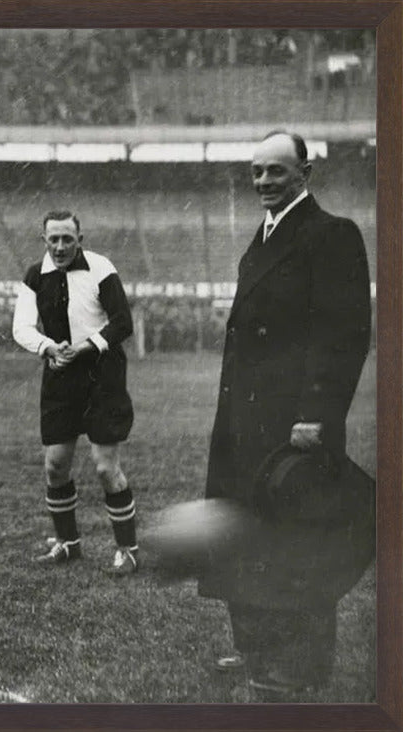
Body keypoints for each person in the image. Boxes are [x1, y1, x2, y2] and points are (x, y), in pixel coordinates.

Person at [200, 131, 371, 697]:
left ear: (306, 171)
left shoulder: (332, 234)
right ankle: (257, 651)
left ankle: (300, 667)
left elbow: (343, 335)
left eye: (276, 171)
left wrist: (315, 415)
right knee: (248, 533)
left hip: (293, 424)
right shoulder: (264, 234)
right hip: (247, 419)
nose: (264, 182)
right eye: (256, 172)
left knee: (298, 538)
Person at [12, 211, 137, 575]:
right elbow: (20, 327)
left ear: (80, 238)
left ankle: (127, 549)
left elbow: (122, 322)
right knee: (55, 466)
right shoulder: (36, 275)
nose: (61, 246)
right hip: (60, 375)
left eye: (68, 238)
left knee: (104, 468)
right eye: (54, 239)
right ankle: (68, 544)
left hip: (103, 375)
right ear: (44, 240)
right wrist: (49, 348)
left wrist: (85, 347)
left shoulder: (100, 268)